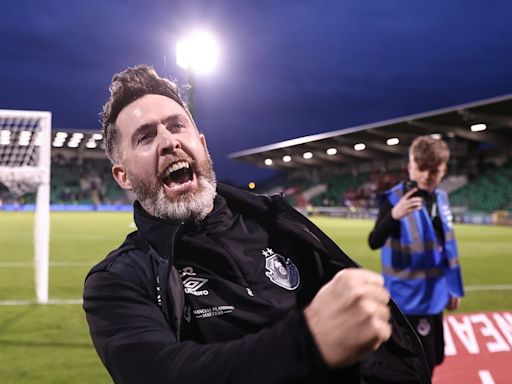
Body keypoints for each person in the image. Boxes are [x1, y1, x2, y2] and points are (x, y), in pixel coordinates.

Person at [83, 64, 431, 384]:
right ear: (123, 176)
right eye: (145, 137)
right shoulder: (117, 281)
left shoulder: (280, 225)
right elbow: (161, 373)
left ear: (202, 146)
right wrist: (308, 341)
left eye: (177, 126)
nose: (169, 141)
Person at [368, 135, 464, 377]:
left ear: (444, 170)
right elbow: (374, 241)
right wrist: (393, 215)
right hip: (407, 300)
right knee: (416, 365)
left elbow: (447, 246)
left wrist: (453, 288)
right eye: (421, 169)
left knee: (435, 356)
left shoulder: (442, 198)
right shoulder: (392, 199)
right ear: (410, 165)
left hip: (435, 295)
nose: (426, 177)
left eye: (434, 171)